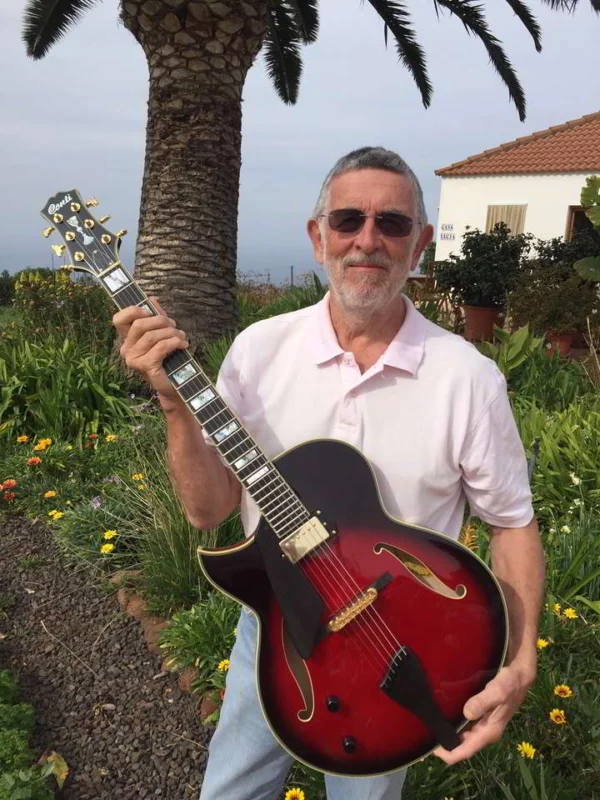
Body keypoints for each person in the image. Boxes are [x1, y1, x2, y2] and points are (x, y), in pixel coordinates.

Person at [113, 147, 545, 800]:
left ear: (420, 244)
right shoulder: (259, 350)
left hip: (397, 638)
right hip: (276, 630)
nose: (367, 240)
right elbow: (208, 511)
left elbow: (511, 525)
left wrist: (522, 657)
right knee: (229, 790)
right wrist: (174, 403)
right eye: (348, 220)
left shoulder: (468, 379)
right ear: (319, 238)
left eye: (392, 224)